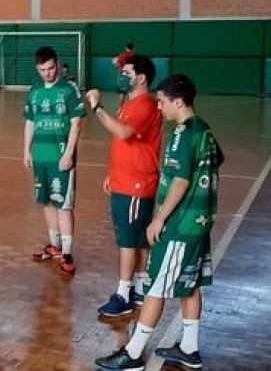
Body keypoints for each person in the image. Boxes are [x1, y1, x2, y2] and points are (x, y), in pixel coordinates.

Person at [95, 74, 224, 370]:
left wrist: (159, 219)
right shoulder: (204, 129)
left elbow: (180, 180)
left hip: (179, 225)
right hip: (199, 222)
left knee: (154, 287)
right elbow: (217, 160)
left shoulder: (182, 134)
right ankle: (189, 348)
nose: (159, 108)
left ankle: (133, 353)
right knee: (189, 285)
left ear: (178, 102)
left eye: (163, 102)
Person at [86, 55, 162, 316]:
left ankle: (123, 294)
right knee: (137, 238)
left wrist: (97, 107)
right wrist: (112, 173)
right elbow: (123, 143)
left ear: (141, 78)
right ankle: (140, 288)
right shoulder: (130, 102)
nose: (122, 76)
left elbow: (123, 133)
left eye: (127, 72)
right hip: (124, 180)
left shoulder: (145, 104)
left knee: (129, 240)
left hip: (136, 185)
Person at [23, 46, 85, 275]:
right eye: (42, 70)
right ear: (37, 69)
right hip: (40, 157)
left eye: (50, 68)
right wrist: (26, 151)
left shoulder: (69, 89)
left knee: (64, 205)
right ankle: (54, 245)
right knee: (46, 202)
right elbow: (30, 121)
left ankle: (67, 253)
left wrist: (69, 153)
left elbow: (76, 123)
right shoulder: (35, 90)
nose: (47, 73)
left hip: (60, 159)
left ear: (57, 64)